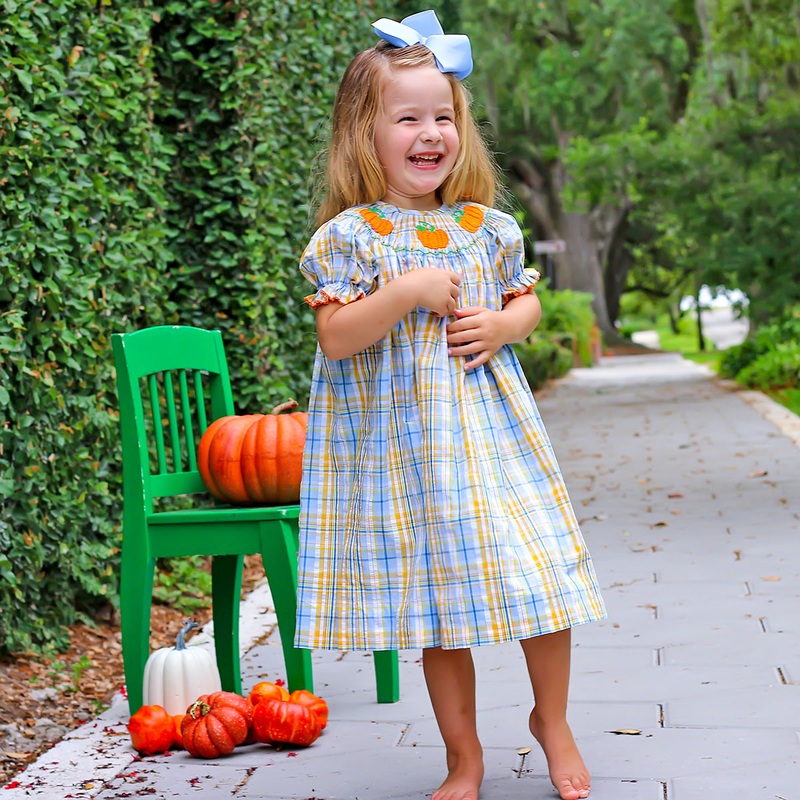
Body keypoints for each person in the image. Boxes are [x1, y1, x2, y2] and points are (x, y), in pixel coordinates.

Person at [294, 10, 606, 800]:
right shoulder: (351, 238)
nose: (430, 133)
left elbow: (526, 306)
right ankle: (463, 757)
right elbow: (337, 338)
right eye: (408, 118)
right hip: (411, 455)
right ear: (365, 133)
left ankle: (552, 719)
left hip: (495, 440)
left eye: (444, 117)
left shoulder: (485, 228)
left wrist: (503, 324)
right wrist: (403, 292)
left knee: (540, 579)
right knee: (439, 611)